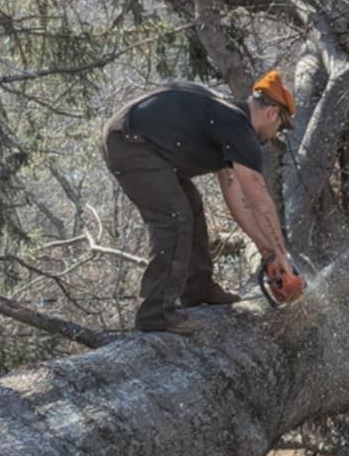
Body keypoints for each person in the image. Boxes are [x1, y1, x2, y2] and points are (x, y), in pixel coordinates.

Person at [102, 68, 302, 335]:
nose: (275, 133)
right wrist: (281, 255)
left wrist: (266, 251)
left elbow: (236, 198)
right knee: (175, 217)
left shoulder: (228, 120)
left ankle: (197, 290)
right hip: (130, 142)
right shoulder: (237, 127)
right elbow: (258, 199)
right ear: (272, 113)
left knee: (191, 207)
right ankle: (154, 314)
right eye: (279, 126)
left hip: (140, 143)